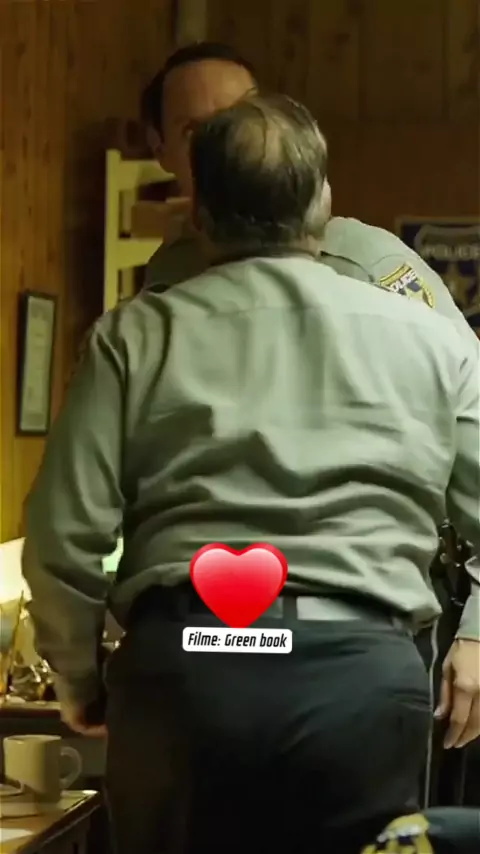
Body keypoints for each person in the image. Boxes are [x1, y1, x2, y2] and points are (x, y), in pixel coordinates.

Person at [22, 93, 480, 854]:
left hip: (184, 678)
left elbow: (62, 538)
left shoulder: (134, 336)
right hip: (360, 682)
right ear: (323, 202)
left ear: (198, 212)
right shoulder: (433, 341)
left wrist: (79, 679)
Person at [140, 43, 476, 351]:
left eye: (243, 118)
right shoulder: (170, 274)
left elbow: (465, 382)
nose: (226, 146)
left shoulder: (365, 263)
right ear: (160, 151)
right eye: (194, 131)